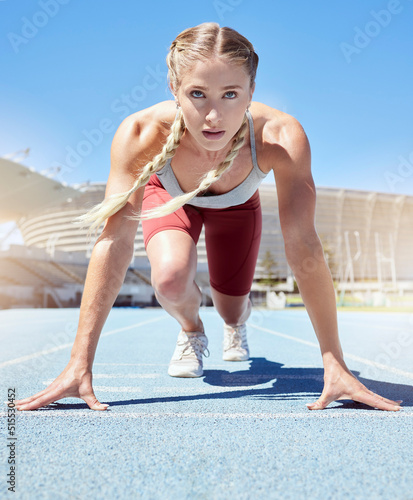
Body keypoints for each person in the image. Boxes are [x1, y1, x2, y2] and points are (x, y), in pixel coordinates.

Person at [16, 22, 401, 412]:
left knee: (231, 308)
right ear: (174, 90)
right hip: (170, 198)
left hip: (237, 209)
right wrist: (78, 363)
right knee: (167, 279)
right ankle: (191, 330)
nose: (214, 116)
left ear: (252, 91)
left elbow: (303, 244)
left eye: (230, 94)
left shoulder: (281, 137)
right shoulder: (139, 133)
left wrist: (334, 363)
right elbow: (114, 241)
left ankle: (235, 326)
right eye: (197, 94)